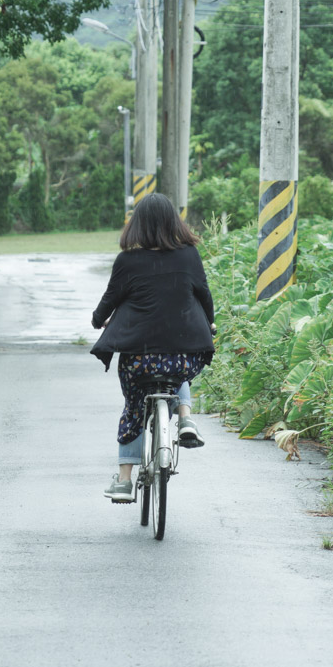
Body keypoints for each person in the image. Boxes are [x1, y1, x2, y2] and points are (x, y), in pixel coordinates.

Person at [90, 193, 216, 502]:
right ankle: (185, 417)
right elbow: (204, 295)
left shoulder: (128, 261)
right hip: (182, 357)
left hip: (139, 361)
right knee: (179, 367)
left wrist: (97, 321)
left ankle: (123, 481)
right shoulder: (189, 256)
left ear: (138, 225)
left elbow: (109, 301)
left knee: (134, 408)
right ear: (175, 222)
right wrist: (209, 324)